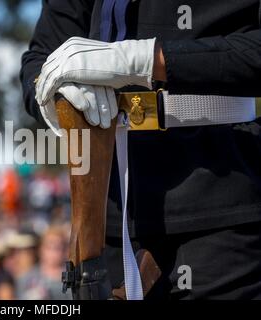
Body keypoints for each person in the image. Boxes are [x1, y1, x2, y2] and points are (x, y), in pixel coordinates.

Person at [20, 0, 261, 299]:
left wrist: (149, 58)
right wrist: (50, 87)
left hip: (223, 206)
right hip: (104, 218)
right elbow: (40, 57)